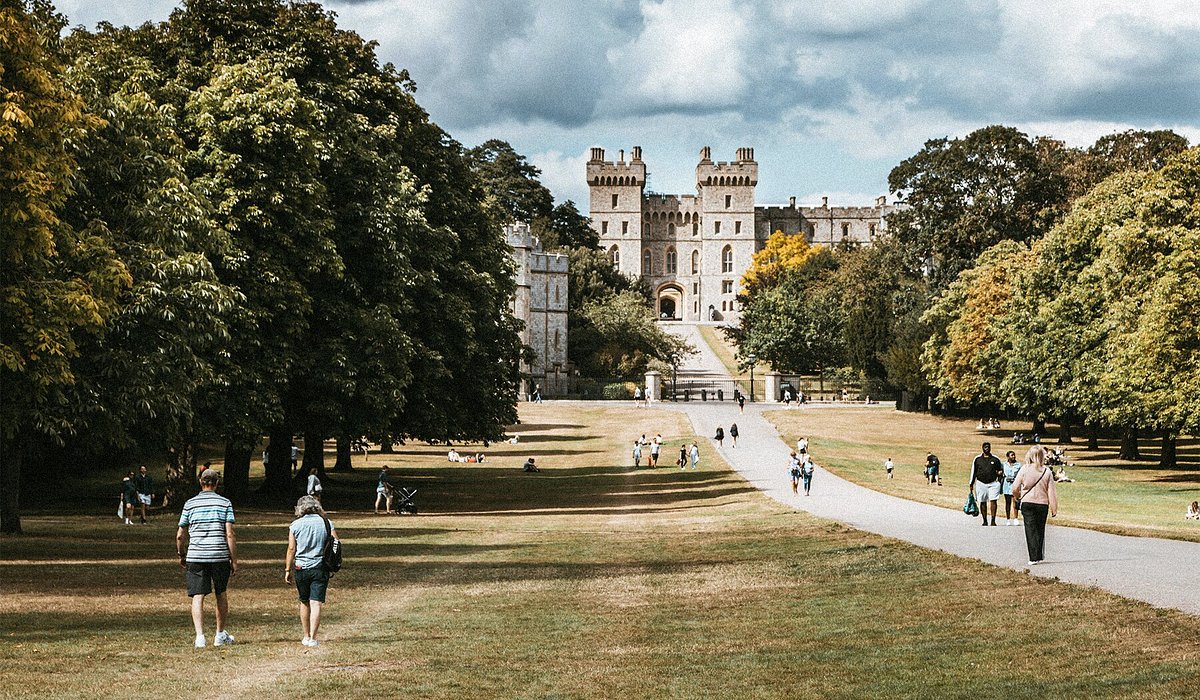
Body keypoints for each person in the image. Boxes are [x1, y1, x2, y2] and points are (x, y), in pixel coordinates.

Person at [177, 469, 237, 648]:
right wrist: (234, 559)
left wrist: (182, 555)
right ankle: (219, 635)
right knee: (221, 592)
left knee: (197, 595)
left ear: (200, 482)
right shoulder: (225, 503)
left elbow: (180, 534)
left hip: (196, 555)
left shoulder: (190, 504)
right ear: (217, 483)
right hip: (219, 555)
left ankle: (200, 636)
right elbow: (230, 534)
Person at [285, 495, 337, 647]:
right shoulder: (327, 523)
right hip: (320, 566)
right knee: (316, 603)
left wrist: (287, 569)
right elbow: (336, 543)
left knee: (304, 601)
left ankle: (306, 636)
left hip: (301, 567)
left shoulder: (295, 525)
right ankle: (314, 638)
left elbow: (291, 549)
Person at [1013, 445, 1057, 565]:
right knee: (1039, 529)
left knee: (1030, 529)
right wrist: (1054, 508)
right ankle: (1038, 554)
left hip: (1027, 502)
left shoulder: (1024, 469)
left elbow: (1015, 487)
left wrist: (1017, 496)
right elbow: (1051, 491)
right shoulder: (1047, 471)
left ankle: (1033, 557)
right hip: (1042, 504)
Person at [969, 442, 1004, 526]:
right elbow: (973, 471)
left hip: (993, 483)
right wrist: (971, 483)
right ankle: (984, 520)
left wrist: (999, 480)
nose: (987, 448)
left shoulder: (995, 459)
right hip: (981, 483)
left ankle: (993, 520)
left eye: (988, 447)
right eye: (985, 447)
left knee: (993, 501)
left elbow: (1001, 470)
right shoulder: (977, 459)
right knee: (982, 501)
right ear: (982, 448)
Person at [1002, 450, 1022, 526]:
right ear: (1008, 457)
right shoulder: (1004, 464)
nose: (1013, 456)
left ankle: (1016, 518)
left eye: (1014, 455)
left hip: (1015, 484)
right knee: (1007, 502)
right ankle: (1008, 518)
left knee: (1015, 501)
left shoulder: (1018, 465)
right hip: (1006, 485)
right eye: (1011, 455)